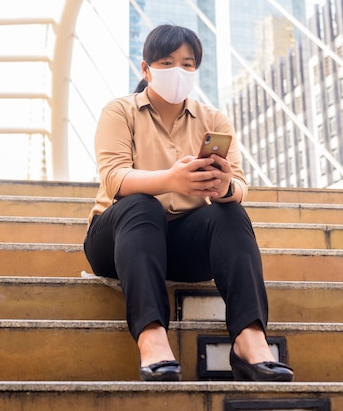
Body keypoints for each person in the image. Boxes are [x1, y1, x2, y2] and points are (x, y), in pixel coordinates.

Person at [84, 24, 293, 382]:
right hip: (118, 239)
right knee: (141, 204)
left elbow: (241, 185)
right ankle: (152, 337)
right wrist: (170, 180)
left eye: (187, 63)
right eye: (166, 63)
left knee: (230, 213)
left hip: (181, 244)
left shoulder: (213, 119)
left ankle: (249, 338)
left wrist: (223, 186)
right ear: (145, 69)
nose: (178, 72)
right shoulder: (120, 112)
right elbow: (115, 178)